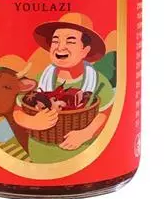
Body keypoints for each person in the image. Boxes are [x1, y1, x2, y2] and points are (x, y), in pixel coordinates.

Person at [14, 13, 114, 163]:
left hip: (83, 156)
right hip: (40, 153)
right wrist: (31, 122)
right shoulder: (39, 79)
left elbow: (106, 113)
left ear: (85, 50)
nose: (60, 47)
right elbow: (17, 110)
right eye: (55, 41)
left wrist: (86, 133)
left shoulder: (98, 81)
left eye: (70, 41)